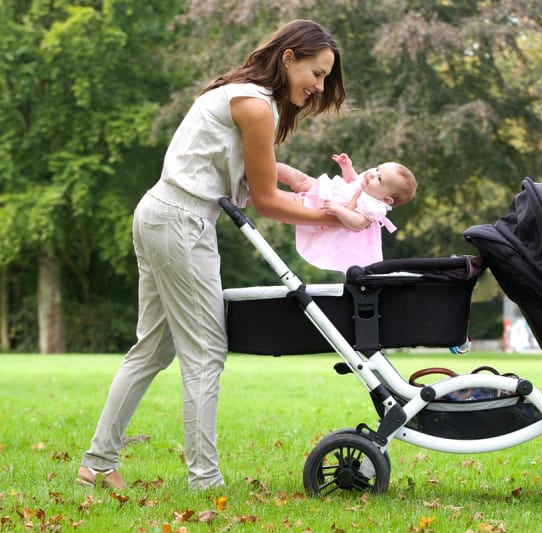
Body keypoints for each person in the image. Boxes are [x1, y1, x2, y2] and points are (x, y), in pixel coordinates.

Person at [76, 20, 346, 490]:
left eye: (325, 78)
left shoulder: (240, 94)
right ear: (289, 58)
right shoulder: (257, 106)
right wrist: (335, 219)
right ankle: (205, 480)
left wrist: (300, 180)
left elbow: (240, 159)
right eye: (316, 73)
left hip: (160, 212)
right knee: (204, 353)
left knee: (153, 348)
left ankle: (97, 463)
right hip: (181, 222)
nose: (319, 86)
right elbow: (264, 201)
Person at [277, 152, 417, 272]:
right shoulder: (367, 183)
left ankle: (259, 193)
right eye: (377, 169)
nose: (372, 174)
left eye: (379, 179)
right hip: (326, 190)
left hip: (323, 210)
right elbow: (352, 181)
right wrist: (347, 167)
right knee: (300, 179)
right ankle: (265, 166)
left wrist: (338, 210)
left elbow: (358, 223)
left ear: (387, 199)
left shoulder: (374, 207)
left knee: (290, 201)